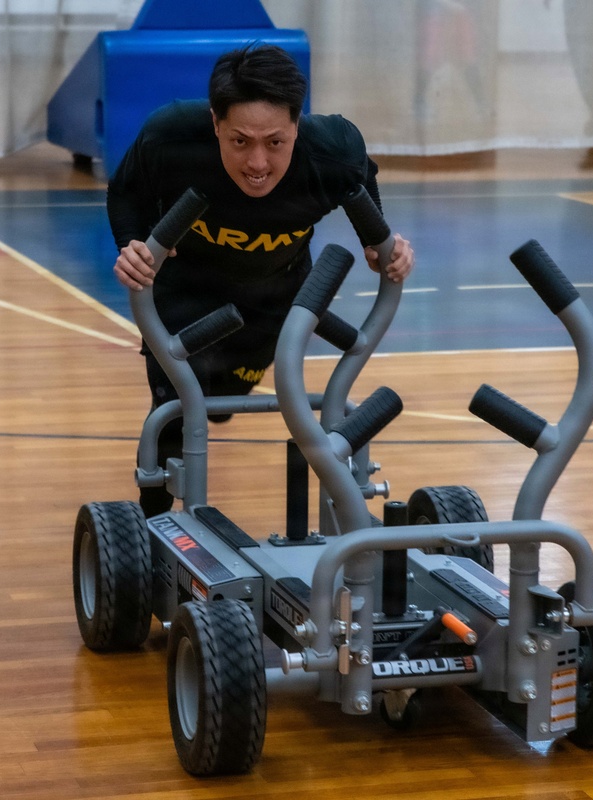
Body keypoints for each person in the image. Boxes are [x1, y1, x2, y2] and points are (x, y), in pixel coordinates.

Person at [106, 43, 415, 516]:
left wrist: (381, 244)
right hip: (185, 292)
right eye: (240, 141)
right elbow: (126, 190)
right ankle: (151, 526)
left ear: (297, 124)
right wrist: (131, 245)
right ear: (215, 123)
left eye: (275, 142)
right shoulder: (171, 138)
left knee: (221, 406)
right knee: (175, 414)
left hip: (277, 300)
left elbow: (362, 183)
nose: (257, 164)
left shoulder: (332, 150)